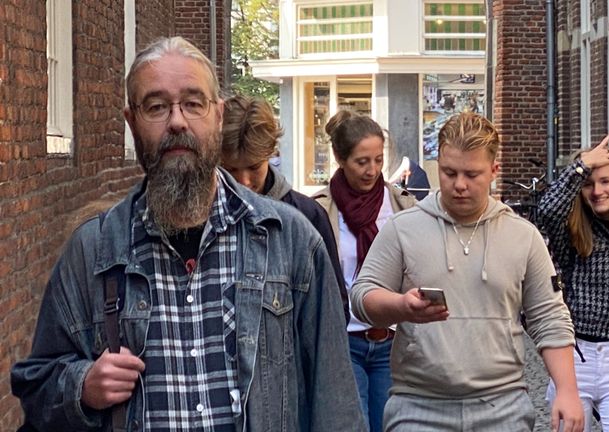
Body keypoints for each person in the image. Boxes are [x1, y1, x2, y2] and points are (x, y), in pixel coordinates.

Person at [10, 36, 365, 431]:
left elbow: (336, 404)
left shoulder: (291, 240)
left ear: (217, 115)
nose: (177, 120)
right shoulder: (92, 250)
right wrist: (82, 387)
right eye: (157, 106)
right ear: (131, 122)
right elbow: (36, 386)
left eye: (193, 103)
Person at [350, 112, 584, 432]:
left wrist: (568, 391)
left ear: (493, 171)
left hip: (503, 407)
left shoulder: (523, 236)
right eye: (449, 172)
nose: (459, 185)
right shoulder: (403, 228)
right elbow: (362, 295)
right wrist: (401, 306)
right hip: (418, 408)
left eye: (472, 174)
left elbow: (550, 318)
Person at [313, 110, 416, 432]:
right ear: (340, 159)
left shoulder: (402, 205)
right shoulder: (319, 209)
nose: (372, 170)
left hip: (392, 339)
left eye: (378, 159)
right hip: (344, 340)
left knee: (390, 424)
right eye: (362, 161)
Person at [538, 134, 609, 431]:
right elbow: (547, 210)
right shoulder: (572, 232)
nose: (597, 191)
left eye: (605, 182)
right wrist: (581, 167)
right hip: (576, 360)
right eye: (589, 183)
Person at [220, 94, 349, 323]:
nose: (244, 182)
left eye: (253, 167)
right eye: (231, 170)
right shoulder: (198, 218)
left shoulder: (307, 216)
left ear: (271, 153)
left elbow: (333, 312)